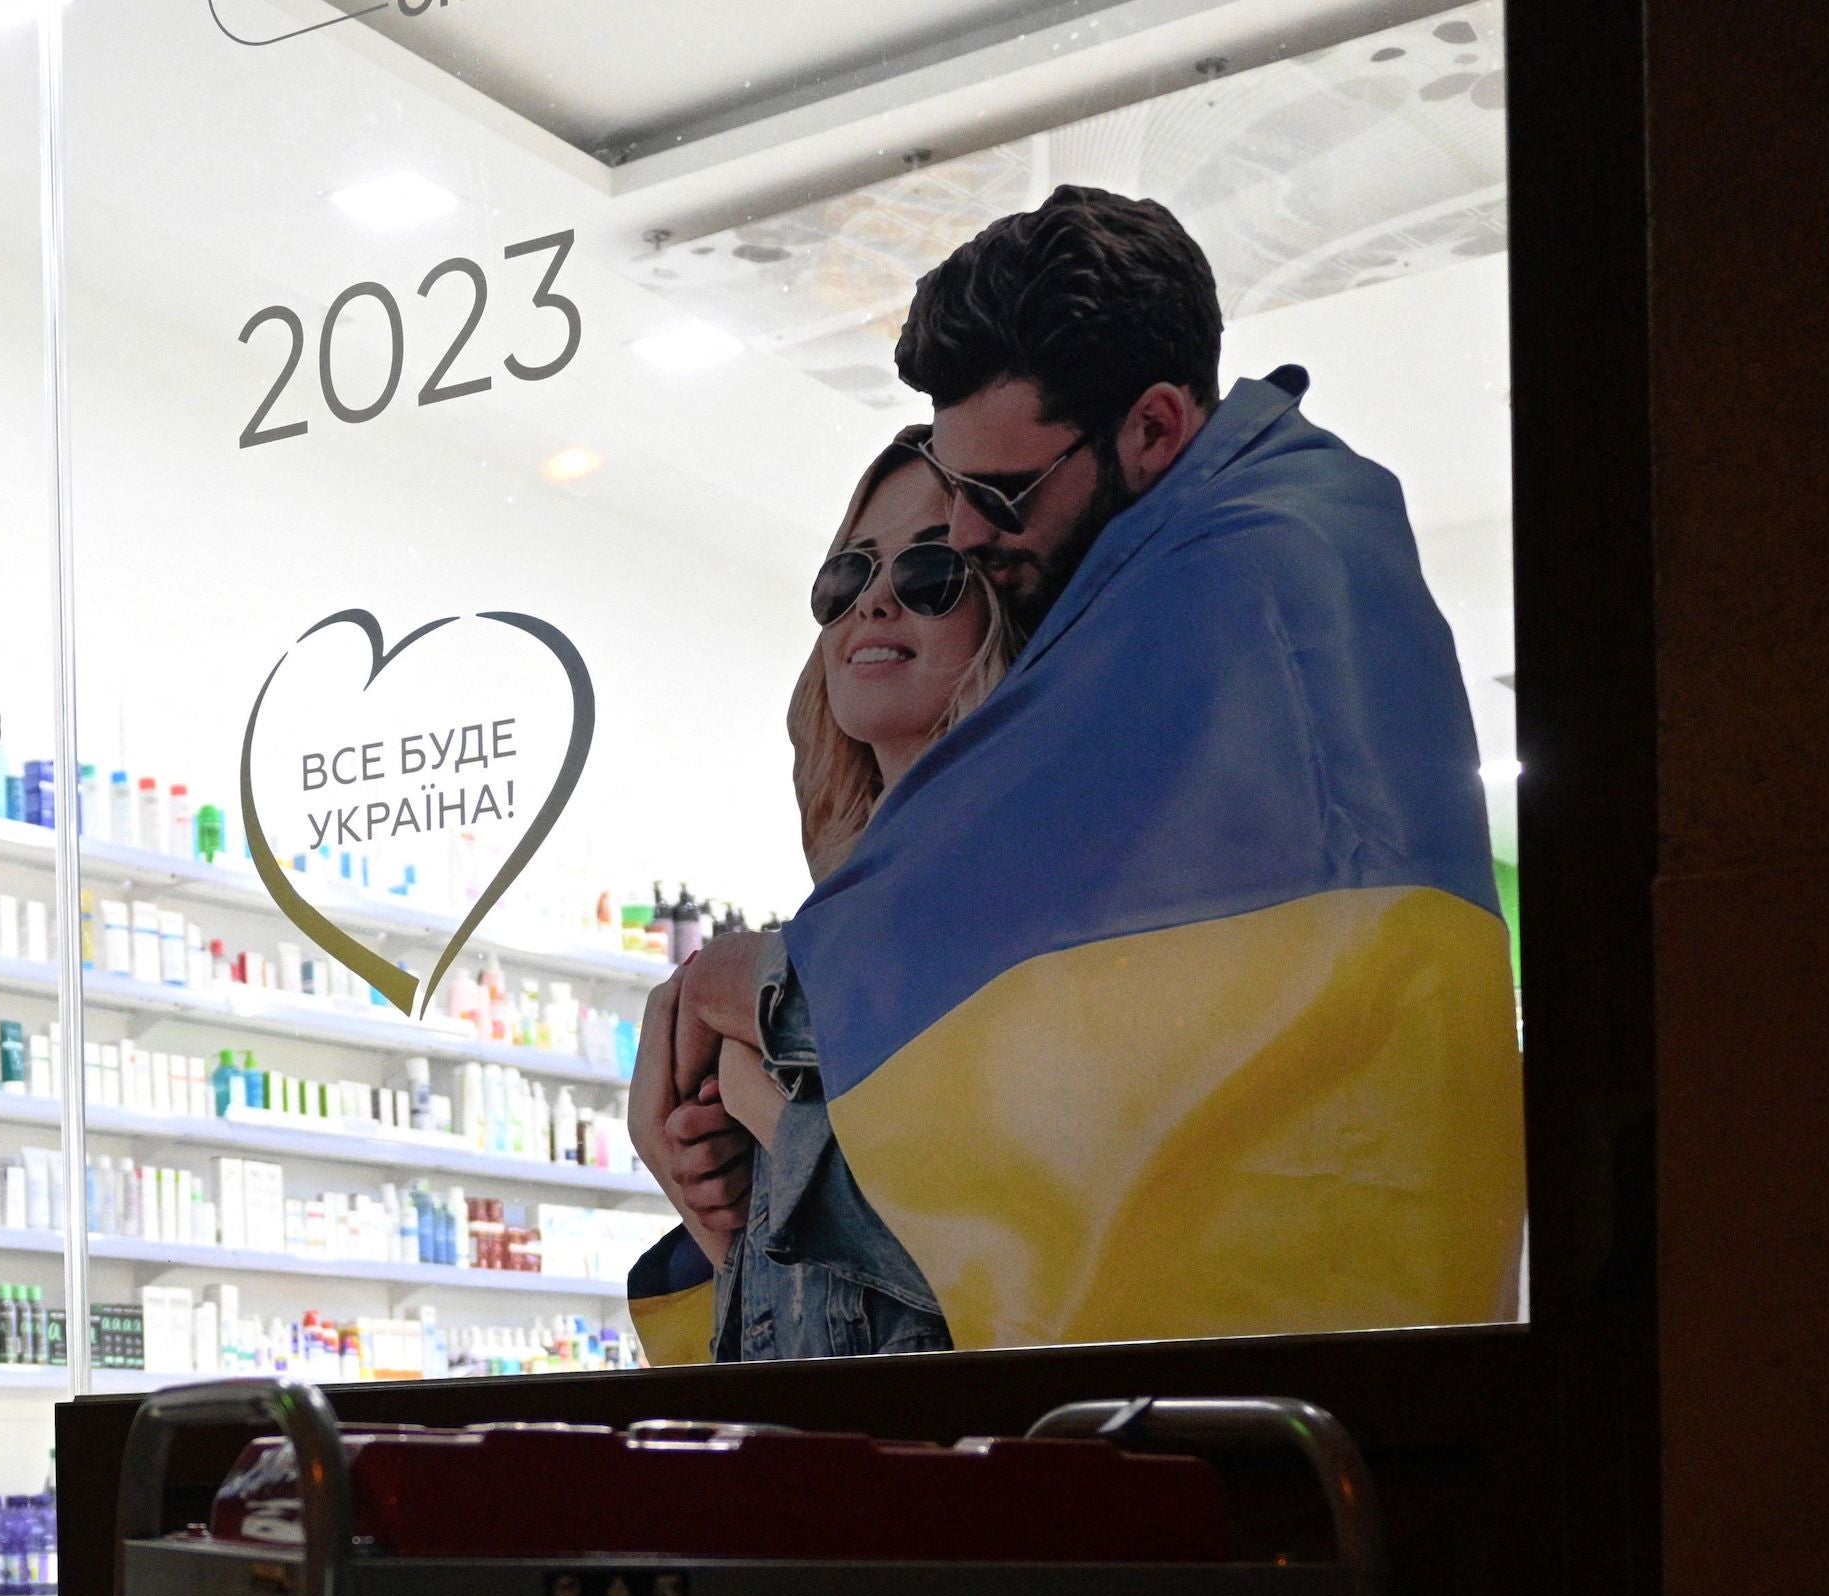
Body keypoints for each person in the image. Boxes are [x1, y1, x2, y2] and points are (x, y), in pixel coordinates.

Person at [635, 185, 1523, 1358]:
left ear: (1152, 429)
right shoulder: (1172, 584)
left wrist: (760, 1007)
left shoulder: (1252, 576)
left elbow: (1113, 1117)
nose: (961, 537)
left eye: (995, 497)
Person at [627, 429, 1011, 1364]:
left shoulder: (1039, 906)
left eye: (930, 570)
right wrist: (706, 1183)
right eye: (850, 574)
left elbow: (1019, 1281)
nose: (874, 599)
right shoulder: (813, 949)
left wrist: (768, 1100)